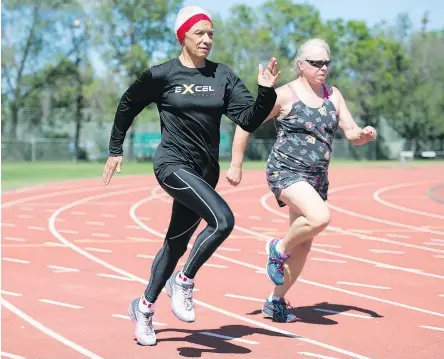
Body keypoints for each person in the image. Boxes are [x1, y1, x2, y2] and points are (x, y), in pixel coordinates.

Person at [102, 5, 280, 346]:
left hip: (204, 171)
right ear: (182, 35)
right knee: (223, 220)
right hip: (171, 164)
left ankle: (144, 307)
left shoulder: (222, 76)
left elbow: (248, 119)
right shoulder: (162, 75)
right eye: (199, 33)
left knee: (176, 242)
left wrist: (266, 91)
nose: (207, 39)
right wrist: (115, 148)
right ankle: (183, 281)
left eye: (211, 33)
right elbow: (127, 104)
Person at [226, 38, 377, 323]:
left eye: (326, 63)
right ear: (300, 65)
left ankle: (275, 300)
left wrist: (364, 135)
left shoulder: (334, 95)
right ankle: (278, 248)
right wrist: (236, 163)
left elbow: (351, 132)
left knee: (305, 244)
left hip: (316, 179)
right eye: (316, 63)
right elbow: (246, 120)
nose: (322, 68)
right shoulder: (285, 95)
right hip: (285, 171)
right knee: (319, 218)